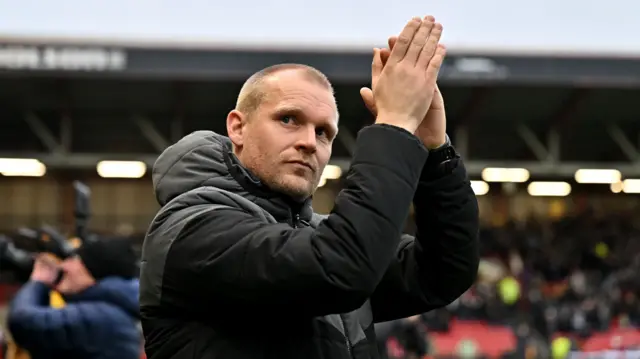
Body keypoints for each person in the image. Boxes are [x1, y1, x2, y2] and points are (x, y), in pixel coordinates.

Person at [140, 15, 479, 359]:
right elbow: (339, 268)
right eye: (288, 119)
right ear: (238, 127)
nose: (309, 143)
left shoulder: (319, 235)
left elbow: (444, 272)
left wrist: (435, 152)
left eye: (323, 133)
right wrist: (394, 126)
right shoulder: (191, 231)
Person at [7, 237, 142, 359]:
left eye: (75, 260)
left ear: (92, 274)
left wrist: (39, 281)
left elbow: (23, 322)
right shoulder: (114, 311)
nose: (65, 266)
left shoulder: (102, 317)